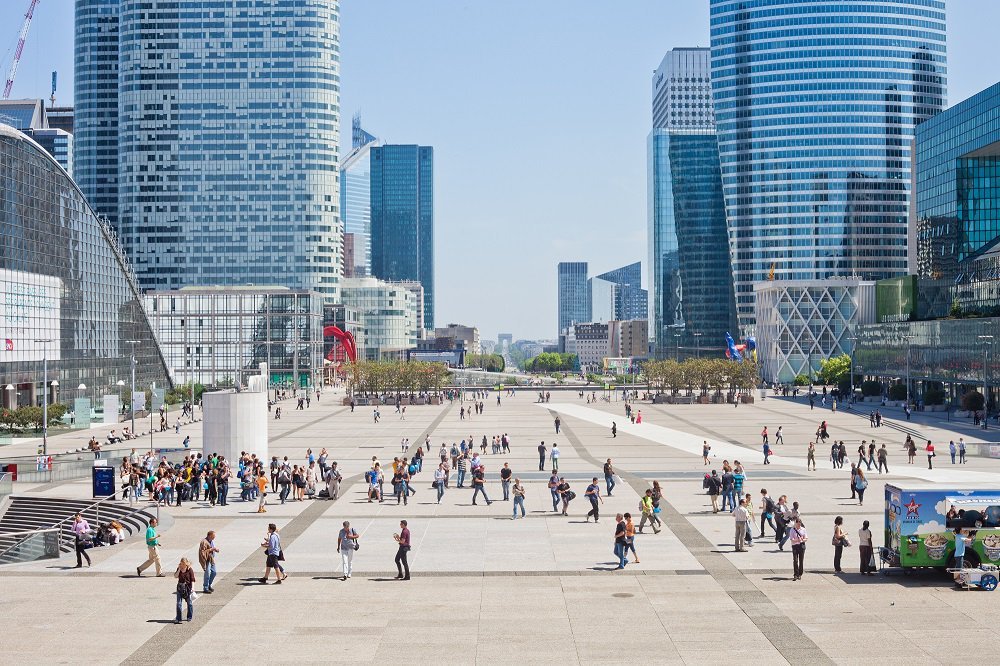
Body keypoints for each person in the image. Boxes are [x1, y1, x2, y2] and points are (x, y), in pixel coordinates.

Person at [174, 557, 196, 623]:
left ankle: (189, 617)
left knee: (189, 603)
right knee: (179, 604)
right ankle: (178, 618)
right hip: (180, 587)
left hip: (187, 588)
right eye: (181, 564)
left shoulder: (189, 569)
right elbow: (175, 576)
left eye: (183, 564)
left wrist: (193, 588)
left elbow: (192, 579)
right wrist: (179, 570)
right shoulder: (179, 568)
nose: (182, 565)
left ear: (186, 564)